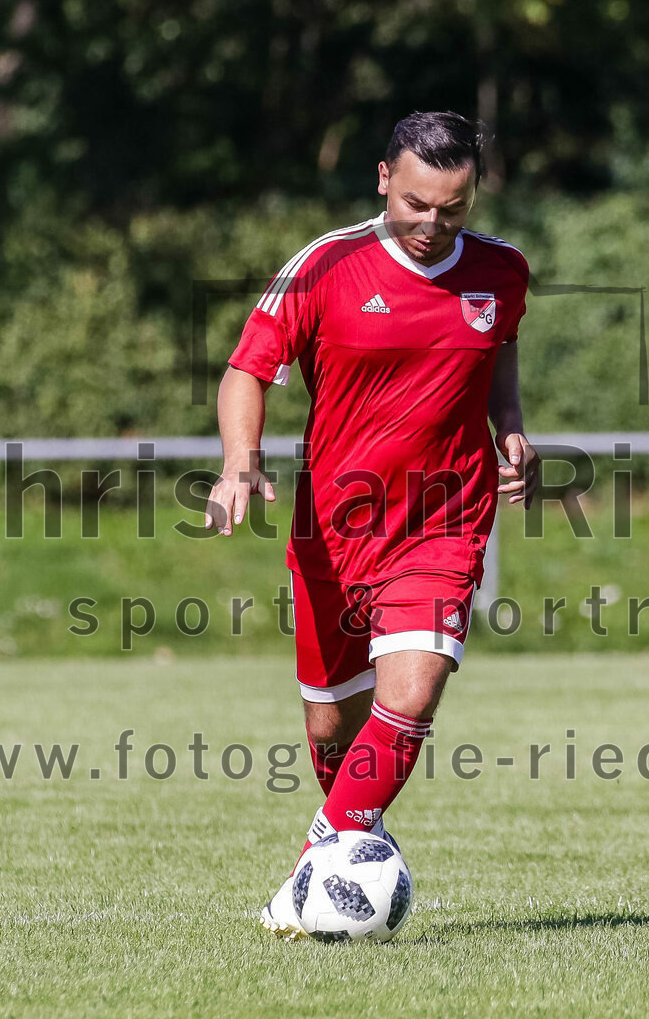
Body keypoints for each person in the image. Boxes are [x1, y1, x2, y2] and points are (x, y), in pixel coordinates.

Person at [204, 110, 539, 939]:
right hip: (334, 527)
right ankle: (355, 833)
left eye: (453, 208)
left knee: (413, 693)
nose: (433, 224)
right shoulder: (327, 265)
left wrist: (511, 425)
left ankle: (317, 868)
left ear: (474, 194)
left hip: (445, 518)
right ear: (384, 178)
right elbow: (249, 368)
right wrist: (239, 461)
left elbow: (498, 351)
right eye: (418, 203)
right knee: (330, 723)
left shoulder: (502, 271)